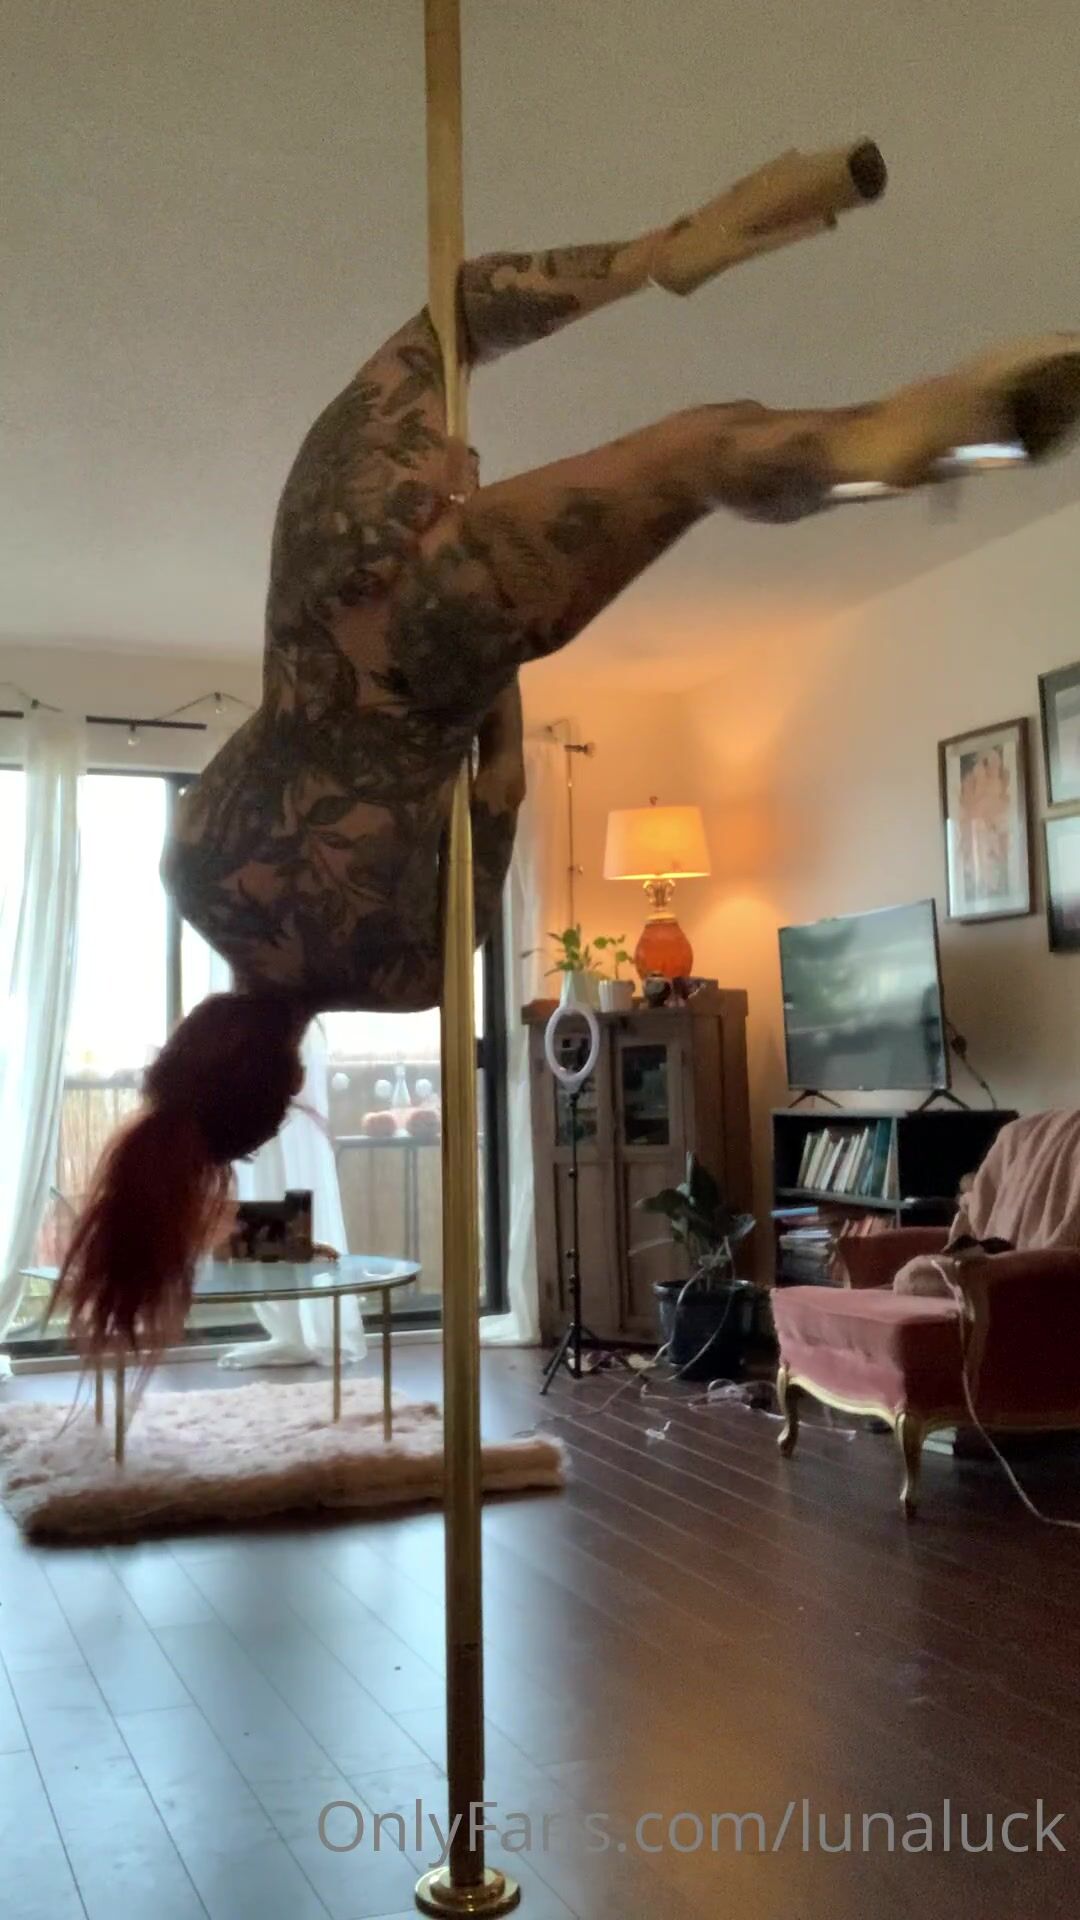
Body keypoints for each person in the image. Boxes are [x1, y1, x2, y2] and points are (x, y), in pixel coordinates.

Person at [55, 141, 1080, 1360]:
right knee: (451, 323)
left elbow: (499, 778)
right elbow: (280, 719)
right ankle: (666, 252)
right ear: (188, 1043)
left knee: (702, 453)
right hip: (325, 563)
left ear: (284, 1082)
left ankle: (889, 442)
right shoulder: (193, 865)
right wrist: (439, 516)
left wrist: (487, 631)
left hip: (444, 651)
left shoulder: (407, 976)